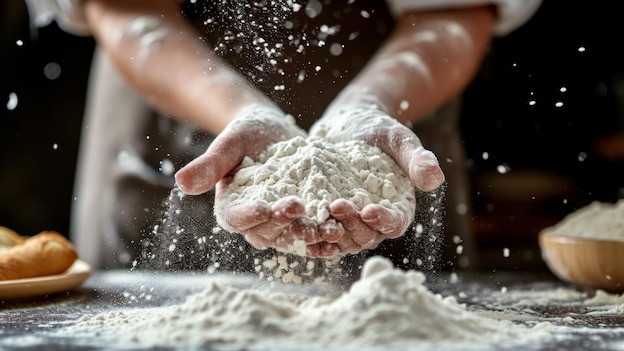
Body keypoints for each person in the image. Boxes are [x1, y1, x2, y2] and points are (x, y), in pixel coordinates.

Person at [23, 0, 541, 271]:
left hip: (397, 104)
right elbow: (127, 7)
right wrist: (238, 111)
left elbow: (452, 9)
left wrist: (371, 104)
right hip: (166, 92)